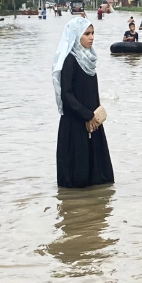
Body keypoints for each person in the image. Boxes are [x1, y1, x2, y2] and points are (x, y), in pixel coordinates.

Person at [52, 17, 114, 188]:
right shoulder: (70, 61)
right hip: (75, 121)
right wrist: (86, 115)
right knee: (77, 175)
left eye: (93, 33)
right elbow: (67, 94)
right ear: (75, 35)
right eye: (87, 34)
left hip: (93, 121)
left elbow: (92, 91)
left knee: (99, 177)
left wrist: (95, 116)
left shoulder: (89, 59)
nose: (91, 37)